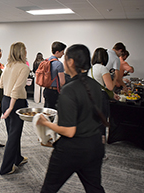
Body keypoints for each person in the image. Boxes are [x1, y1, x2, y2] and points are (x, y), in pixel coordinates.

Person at [38, 44, 106, 193]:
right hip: (94, 146)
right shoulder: (95, 86)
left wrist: (45, 123)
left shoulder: (69, 90)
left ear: (70, 62)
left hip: (72, 150)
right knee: (94, 188)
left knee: (49, 188)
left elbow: (69, 131)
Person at [0, 42, 30, 175]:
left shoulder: (8, 66)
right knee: (14, 136)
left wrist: (8, 106)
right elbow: (17, 89)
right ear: (21, 52)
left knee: (12, 133)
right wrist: (11, 107)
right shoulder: (24, 67)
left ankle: (17, 158)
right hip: (15, 103)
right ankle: (6, 168)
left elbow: (1, 84)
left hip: (5, 100)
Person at [88, 48, 116, 145]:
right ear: (105, 57)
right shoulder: (103, 68)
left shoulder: (90, 69)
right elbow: (110, 87)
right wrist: (115, 77)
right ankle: (99, 149)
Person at [43, 41, 66, 110]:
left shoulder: (45, 61)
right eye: (62, 52)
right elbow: (62, 82)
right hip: (54, 92)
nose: (63, 54)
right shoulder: (59, 64)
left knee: (47, 111)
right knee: (53, 112)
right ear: (57, 52)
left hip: (46, 90)